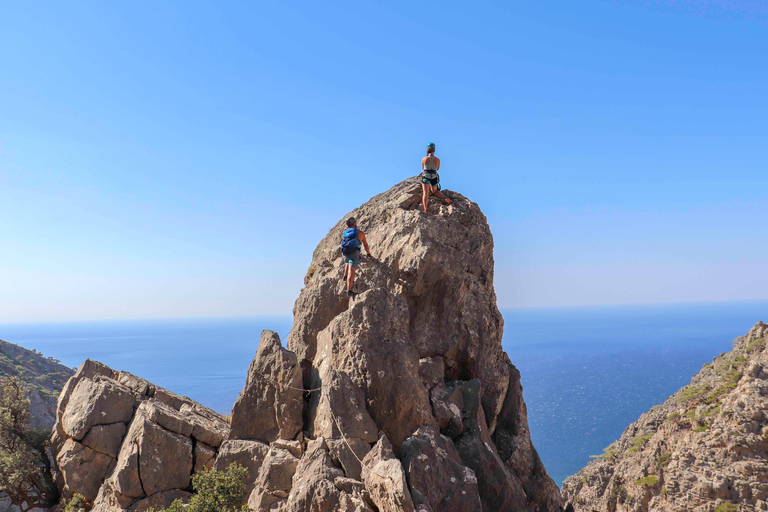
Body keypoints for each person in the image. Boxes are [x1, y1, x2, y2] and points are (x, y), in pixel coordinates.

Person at [340, 217, 372, 297]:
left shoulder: (346, 232)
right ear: (355, 223)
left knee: (347, 261)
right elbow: (365, 245)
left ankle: (345, 275)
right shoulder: (360, 233)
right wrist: (368, 254)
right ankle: (349, 290)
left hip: (345, 252)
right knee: (352, 270)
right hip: (354, 253)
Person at [420, 142, 452, 213]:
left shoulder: (424, 159)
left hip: (426, 176)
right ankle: (445, 198)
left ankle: (426, 209)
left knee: (425, 192)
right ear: (434, 150)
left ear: (427, 150)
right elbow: (437, 168)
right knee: (435, 191)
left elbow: (423, 168)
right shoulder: (437, 160)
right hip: (434, 176)